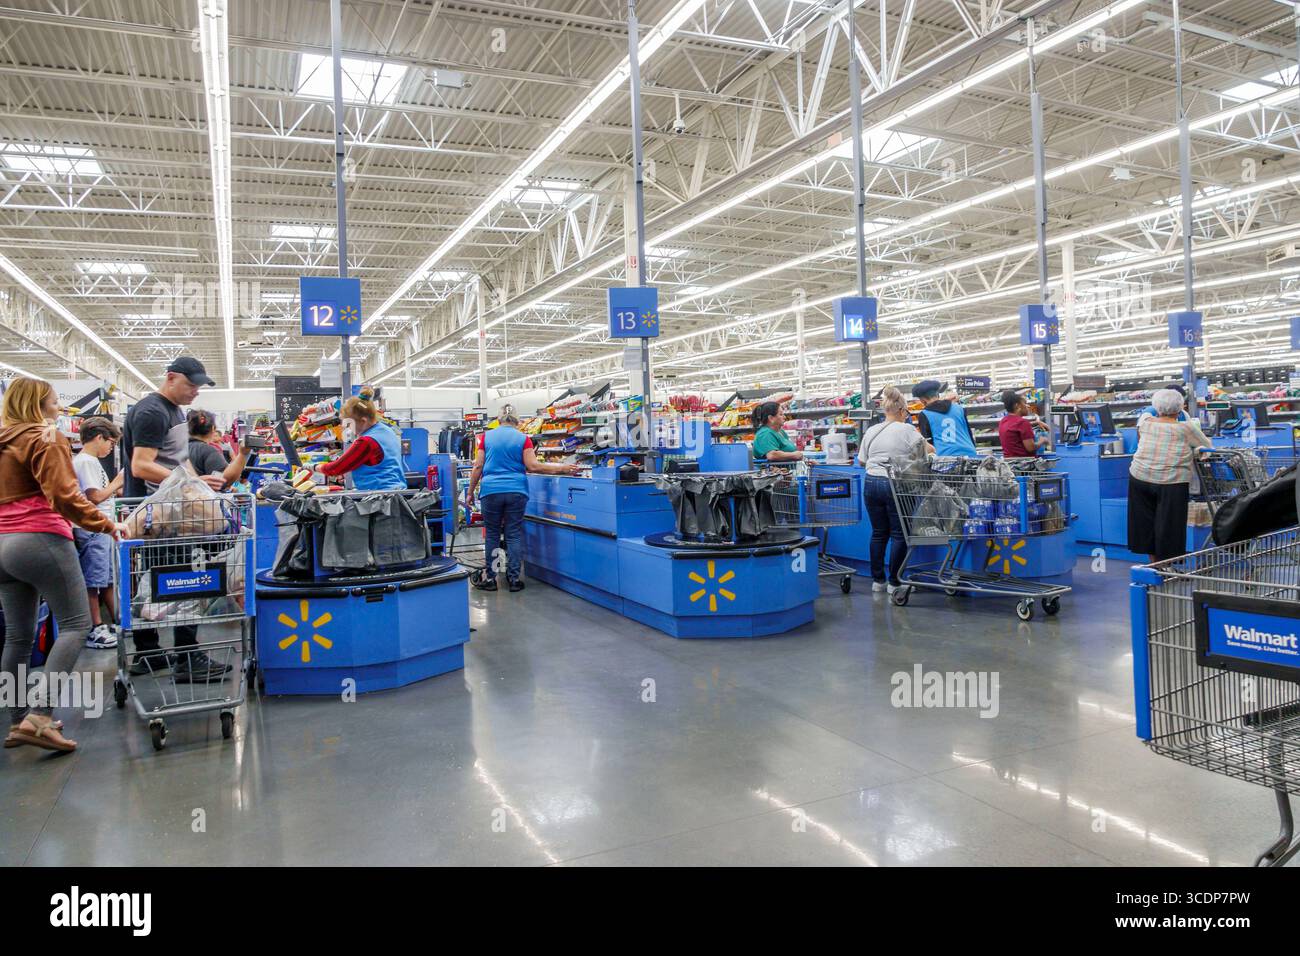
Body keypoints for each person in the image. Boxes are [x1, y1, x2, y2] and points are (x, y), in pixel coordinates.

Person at [0, 378, 128, 753]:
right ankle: (39, 716)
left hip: (3, 546)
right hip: (40, 538)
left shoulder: (4, 441)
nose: (59, 409)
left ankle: (16, 720)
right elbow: (63, 496)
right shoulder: (45, 437)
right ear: (40, 404)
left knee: (18, 637)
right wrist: (107, 523)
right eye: (56, 401)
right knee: (77, 624)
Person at [121, 356, 229, 682]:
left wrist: (200, 487)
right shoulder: (153, 411)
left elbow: (181, 461)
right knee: (184, 580)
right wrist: (188, 485)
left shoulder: (176, 413)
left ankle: (150, 653)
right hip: (160, 516)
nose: (196, 391)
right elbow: (141, 465)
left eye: (199, 386)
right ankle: (186, 658)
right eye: (190, 384)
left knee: (156, 581)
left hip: (172, 512)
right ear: (170, 377)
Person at [466, 405, 580, 593]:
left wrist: (470, 492)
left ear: (499, 419)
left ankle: (491, 579)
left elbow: (478, 466)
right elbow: (533, 466)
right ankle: (513, 580)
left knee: (493, 534)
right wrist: (563, 468)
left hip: (491, 491)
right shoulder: (523, 439)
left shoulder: (486, 437)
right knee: (513, 535)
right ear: (516, 420)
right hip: (516, 491)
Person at [857, 386, 932, 593]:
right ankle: (895, 582)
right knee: (899, 534)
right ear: (902, 411)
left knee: (879, 533)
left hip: (871, 483)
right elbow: (926, 453)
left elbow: (862, 461)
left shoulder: (871, 430)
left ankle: (877, 581)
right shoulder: (906, 429)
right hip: (894, 484)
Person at [1128, 388, 1212, 563]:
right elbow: (1207, 448)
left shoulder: (1146, 423)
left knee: (1145, 523)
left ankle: (1154, 565)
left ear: (1156, 407)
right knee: (1169, 525)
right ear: (1181, 408)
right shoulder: (1186, 428)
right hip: (1171, 481)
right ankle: (1166, 565)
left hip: (1140, 477)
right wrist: (1195, 452)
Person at [72, 416, 123, 650]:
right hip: (93, 529)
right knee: (94, 581)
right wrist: (117, 482)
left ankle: (119, 621)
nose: (110, 448)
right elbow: (95, 496)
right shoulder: (85, 462)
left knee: (108, 578)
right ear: (99, 437)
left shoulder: (90, 462)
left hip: (102, 528)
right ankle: (95, 627)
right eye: (110, 443)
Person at [313, 395, 407, 491]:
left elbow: (335, 469)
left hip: (380, 497)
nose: (348, 428)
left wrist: (312, 467)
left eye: (349, 424)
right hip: (397, 491)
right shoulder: (387, 431)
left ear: (363, 421)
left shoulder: (366, 441)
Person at [913, 380, 978, 457]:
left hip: (944, 459)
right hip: (969, 454)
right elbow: (969, 433)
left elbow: (928, 443)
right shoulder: (959, 408)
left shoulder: (924, 414)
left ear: (922, 400)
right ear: (937, 394)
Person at [187, 410, 247, 491]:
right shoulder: (209, 451)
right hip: (204, 500)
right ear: (213, 428)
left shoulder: (180, 449)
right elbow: (224, 481)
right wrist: (242, 454)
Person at [997, 390, 1049, 458]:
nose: (1027, 406)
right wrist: (1042, 441)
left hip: (1009, 464)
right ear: (1017, 405)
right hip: (1024, 464)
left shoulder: (1003, 421)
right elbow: (1031, 448)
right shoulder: (1023, 422)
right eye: (1024, 403)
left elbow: (1014, 427)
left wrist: (1036, 423)